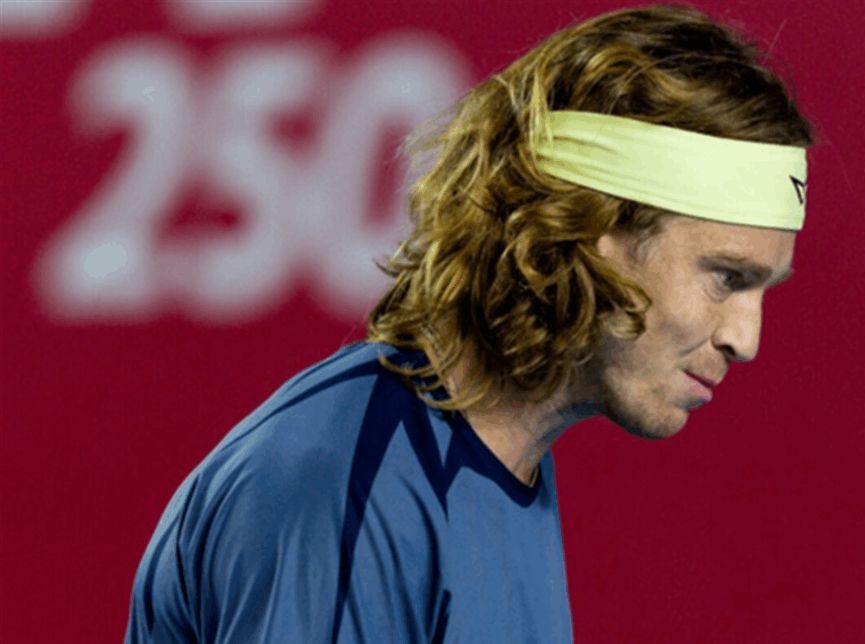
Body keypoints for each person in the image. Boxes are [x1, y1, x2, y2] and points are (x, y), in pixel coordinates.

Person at [124, 5, 813, 642]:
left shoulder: (496, 468)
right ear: (593, 227)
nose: (745, 339)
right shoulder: (349, 489)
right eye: (727, 277)